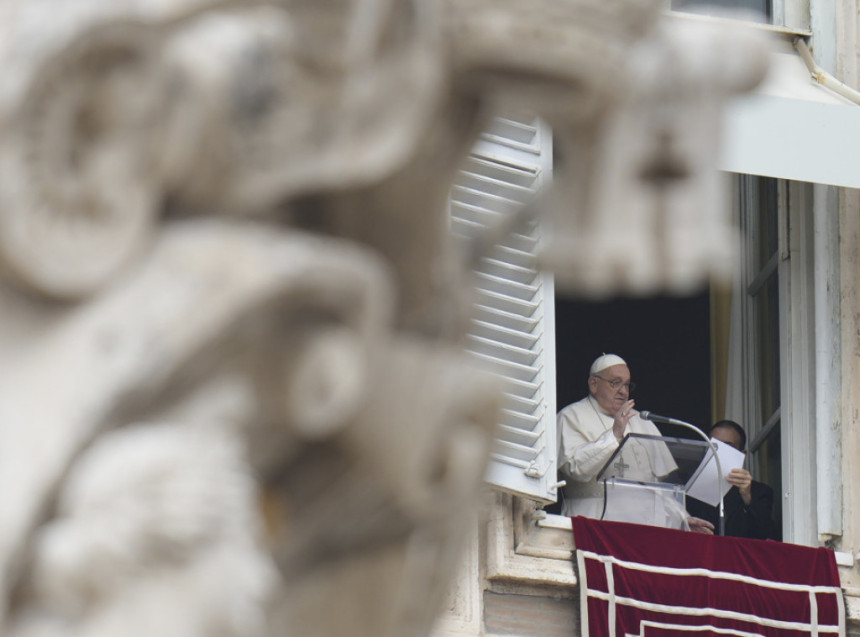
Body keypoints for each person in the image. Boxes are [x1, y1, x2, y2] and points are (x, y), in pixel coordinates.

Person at [557, 354, 713, 533]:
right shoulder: (570, 416)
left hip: (646, 527)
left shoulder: (642, 420)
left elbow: (658, 487)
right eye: (615, 383)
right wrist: (614, 436)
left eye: (626, 384)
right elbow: (575, 468)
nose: (623, 391)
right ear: (594, 384)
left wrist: (683, 518)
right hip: (594, 523)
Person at [686, 420, 780, 540]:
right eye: (714, 446)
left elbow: (767, 535)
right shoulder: (691, 491)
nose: (718, 452)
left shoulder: (760, 491)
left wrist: (747, 497)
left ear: (742, 454)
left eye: (727, 447)